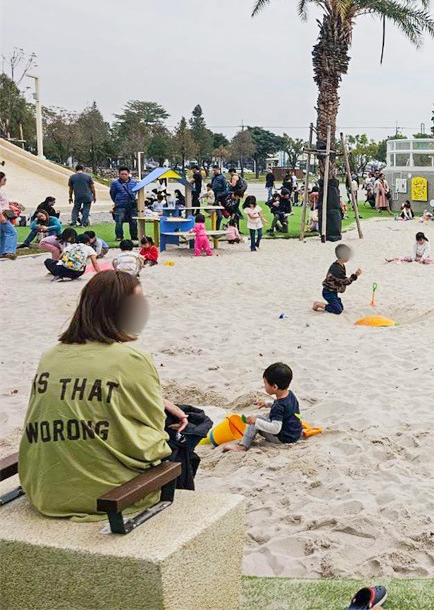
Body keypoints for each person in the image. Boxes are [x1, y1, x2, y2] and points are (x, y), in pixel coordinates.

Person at [18, 271, 188, 518]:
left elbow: (79, 392)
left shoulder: (51, 356)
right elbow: (153, 438)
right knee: (185, 432)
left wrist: (161, 402)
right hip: (106, 495)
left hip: (44, 490)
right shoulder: (133, 359)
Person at [221, 363, 303, 452]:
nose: (264, 386)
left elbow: (275, 429)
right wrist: (267, 403)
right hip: (296, 434)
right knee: (266, 416)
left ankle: (242, 446)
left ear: (275, 387)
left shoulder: (279, 407)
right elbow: (285, 409)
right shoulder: (290, 394)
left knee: (256, 421)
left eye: (265, 383)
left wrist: (256, 421)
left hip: (284, 439)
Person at [312, 243, 361, 314]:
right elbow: (345, 282)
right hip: (328, 292)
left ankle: (333, 302)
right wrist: (356, 275)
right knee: (338, 310)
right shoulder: (336, 269)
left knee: (340, 307)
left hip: (333, 291)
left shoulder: (340, 265)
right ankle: (318, 304)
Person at [109, 167, 139, 242]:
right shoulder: (115, 183)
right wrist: (117, 201)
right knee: (119, 221)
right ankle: (119, 236)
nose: (124, 176)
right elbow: (112, 193)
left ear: (128, 174)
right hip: (120, 205)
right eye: (122, 174)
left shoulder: (133, 182)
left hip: (131, 205)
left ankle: (134, 236)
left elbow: (136, 192)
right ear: (119, 174)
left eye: (125, 174)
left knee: (133, 221)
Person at [0, 170, 19, 260]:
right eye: (4, 179)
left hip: (4, 213)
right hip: (2, 215)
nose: (5, 180)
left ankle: (3, 251)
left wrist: (11, 203)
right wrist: (1, 216)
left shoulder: (1, 190)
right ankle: (9, 251)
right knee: (12, 232)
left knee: (3, 233)